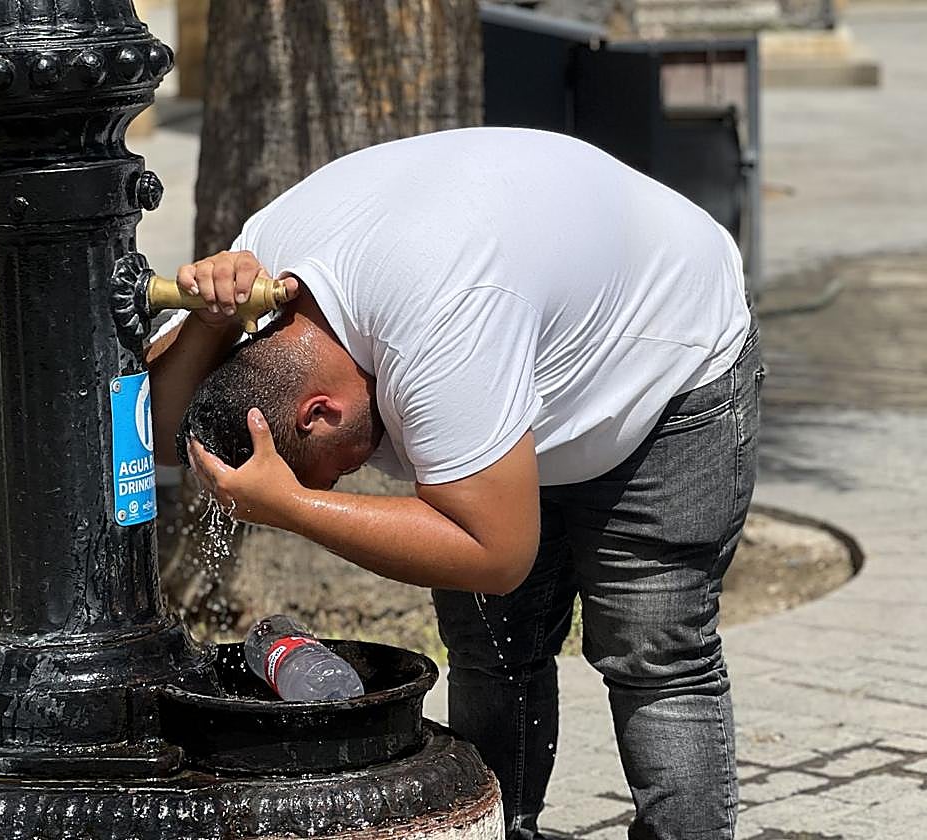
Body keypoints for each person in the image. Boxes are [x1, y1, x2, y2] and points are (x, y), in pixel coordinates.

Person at [148, 127, 761, 840]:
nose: (352, 476)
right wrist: (205, 322)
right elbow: (164, 436)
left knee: (654, 658)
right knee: (494, 653)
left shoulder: (438, 326)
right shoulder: (264, 285)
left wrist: (296, 506)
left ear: (319, 412)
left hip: (663, 368)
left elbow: (496, 556)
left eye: (335, 468)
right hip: (524, 343)